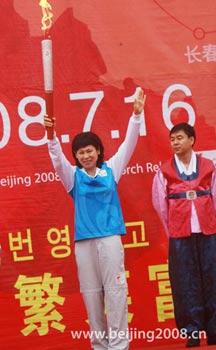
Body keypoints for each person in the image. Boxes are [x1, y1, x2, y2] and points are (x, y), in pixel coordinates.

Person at [44, 89, 146, 350]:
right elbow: (57, 160)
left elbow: (129, 145)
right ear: (76, 157)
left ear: (98, 151)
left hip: (110, 238)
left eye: (89, 151)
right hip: (84, 243)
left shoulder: (111, 170)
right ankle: (99, 345)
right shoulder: (72, 178)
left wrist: (136, 116)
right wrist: (51, 136)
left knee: (115, 292)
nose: (86, 156)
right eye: (80, 153)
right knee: (91, 296)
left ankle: (119, 346)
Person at [152, 123, 216, 348]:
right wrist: (173, 230)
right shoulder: (165, 170)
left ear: (192, 140)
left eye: (179, 138)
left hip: (209, 233)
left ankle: (214, 329)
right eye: (172, 139)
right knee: (184, 283)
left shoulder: (209, 167)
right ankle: (192, 331)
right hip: (180, 236)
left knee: (212, 279)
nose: (175, 143)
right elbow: (160, 204)